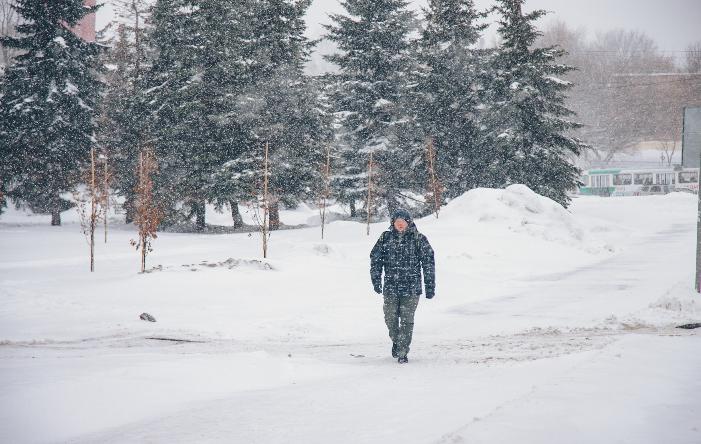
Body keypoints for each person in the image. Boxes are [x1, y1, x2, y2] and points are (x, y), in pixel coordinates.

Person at [370, 209, 435, 364]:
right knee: (390, 318)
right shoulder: (385, 238)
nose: (400, 224)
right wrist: (376, 280)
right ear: (393, 223)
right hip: (391, 287)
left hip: (411, 288)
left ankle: (402, 351)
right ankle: (397, 341)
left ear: (408, 222)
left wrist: (430, 285)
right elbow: (375, 260)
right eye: (397, 221)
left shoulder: (418, 239)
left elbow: (428, 263)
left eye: (403, 221)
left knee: (407, 320)